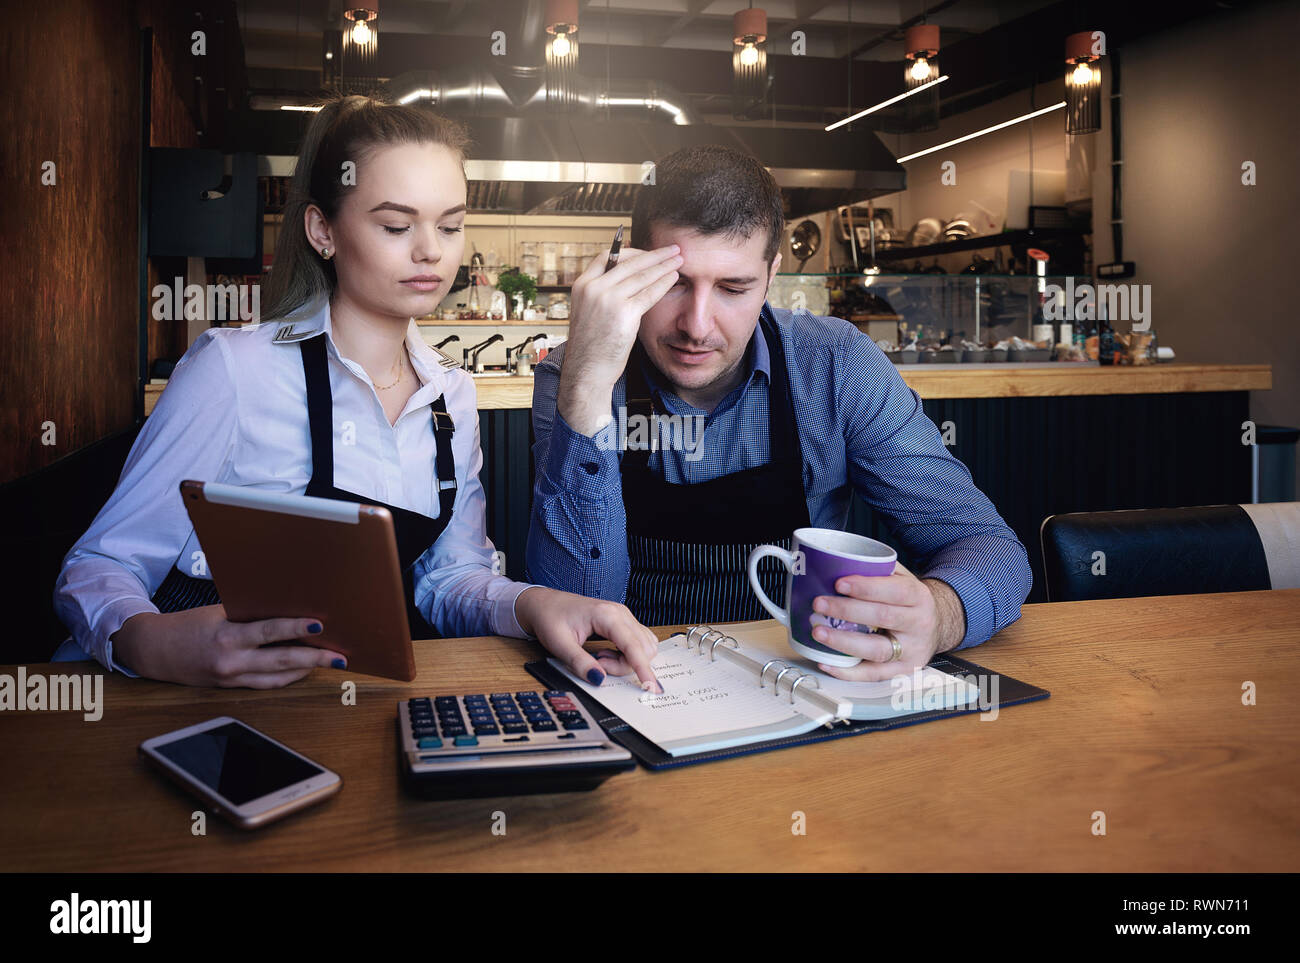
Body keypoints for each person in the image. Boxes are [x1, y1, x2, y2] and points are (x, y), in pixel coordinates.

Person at [53, 94, 660, 692]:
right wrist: (153, 642)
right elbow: (99, 566)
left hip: (338, 704)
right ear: (322, 230)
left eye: (450, 225)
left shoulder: (452, 396)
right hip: (183, 704)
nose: (431, 250)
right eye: (396, 225)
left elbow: (450, 578)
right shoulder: (235, 370)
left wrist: (533, 604)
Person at [526, 144, 1033, 682]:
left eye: (733, 287)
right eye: (674, 282)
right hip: (636, 691)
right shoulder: (574, 374)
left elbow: (991, 549)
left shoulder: (835, 365)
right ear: (625, 267)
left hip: (802, 689)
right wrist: (587, 386)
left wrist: (940, 615)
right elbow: (575, 608)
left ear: (771, 275)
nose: (697, 326)